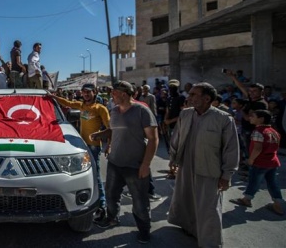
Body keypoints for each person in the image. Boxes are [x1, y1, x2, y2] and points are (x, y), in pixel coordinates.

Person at [167, 82, 239, 247]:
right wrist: (173, 159)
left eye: (193, 94)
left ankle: (210, 242)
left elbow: (231, 149)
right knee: (186, 200)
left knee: (208, 207)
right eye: (190, 94)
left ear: (207, 98)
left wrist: (226, 175)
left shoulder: (223, 119)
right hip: (186, 166)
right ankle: (190, 228)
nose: (189, 97)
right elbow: (176, 138)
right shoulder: (185, 114)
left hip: (209, 169)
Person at [92, 81, 158, 244]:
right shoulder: (114, 111)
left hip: (135, 165)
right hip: (115, 163)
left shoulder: (142, 111)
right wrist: (101, 134)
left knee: (139, 201)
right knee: (111, 195)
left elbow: (153, 138)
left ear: (123, 93)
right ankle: (112, 218)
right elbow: (114, 130)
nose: (111, 96)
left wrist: (145, 164)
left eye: (113, 93)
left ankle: (144, 230)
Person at [49, 83, 110, 220]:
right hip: (82, 146)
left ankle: (102, 205)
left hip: (94, 146)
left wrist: (106, 143)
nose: (86, 94)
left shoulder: (101, 109)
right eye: (84, 92)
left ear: (94, 92)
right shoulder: (82, 106)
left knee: (96, 176)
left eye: (88, 92)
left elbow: (110, 128)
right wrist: (53, 97)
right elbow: (68, 102)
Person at [229, 110, 283, 215]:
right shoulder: (273, 131)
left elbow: (257, 148)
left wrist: (251, 159)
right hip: (273, 161)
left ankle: (246, 199)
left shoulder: (258, 131)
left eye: (253, 116)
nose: (250, 118)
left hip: (260, 162)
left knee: (254, 181)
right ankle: (278, 203)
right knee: (272, 183)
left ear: (261, 119)